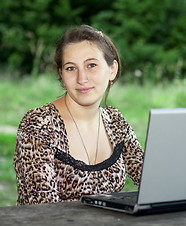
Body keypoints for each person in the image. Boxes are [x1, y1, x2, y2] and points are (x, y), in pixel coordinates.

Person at [13, 25, 144, 205]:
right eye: (70, 68)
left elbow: (152, 180)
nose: (82, 78)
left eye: (91, 65)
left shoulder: (115, 122)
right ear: (61, 74)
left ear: (112, 69)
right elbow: (42, 211)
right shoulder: (39, 124)